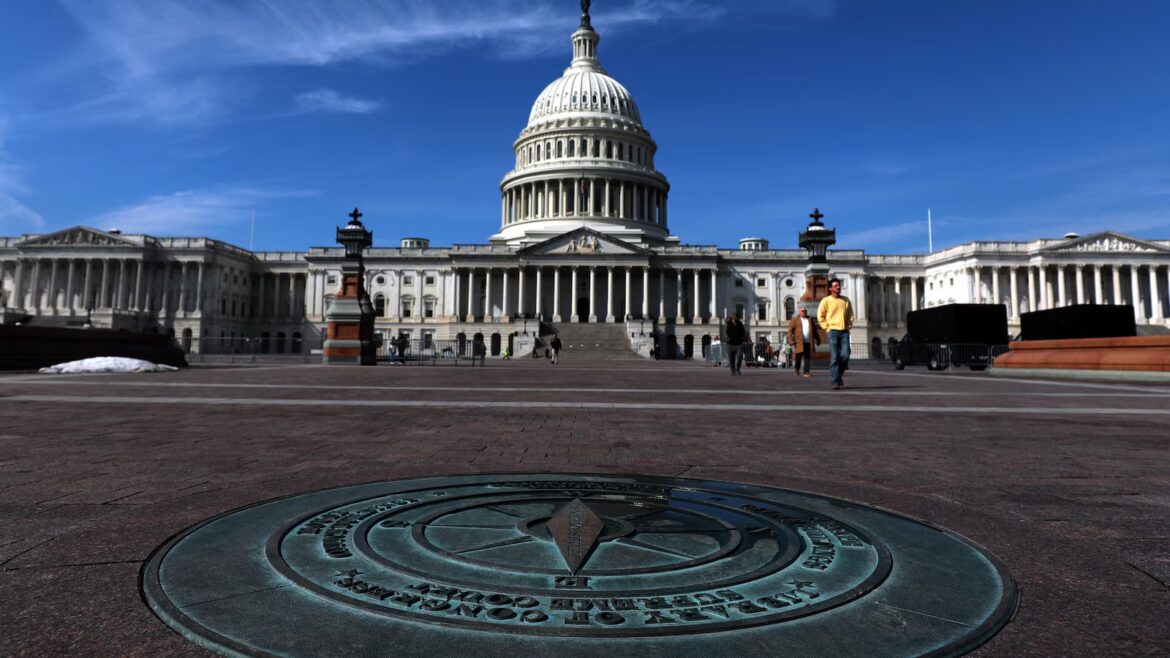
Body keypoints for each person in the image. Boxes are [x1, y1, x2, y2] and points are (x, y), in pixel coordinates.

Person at [817, 277, 854, 390]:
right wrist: (827, 328)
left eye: (839, 285)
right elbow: (820, 316)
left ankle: (838, 376)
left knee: (846, 354)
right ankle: (835, 382)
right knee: (834, 357)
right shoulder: (826, 301)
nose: (838, 287)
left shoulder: (846, 300)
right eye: (836, 286)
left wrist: (849, 325)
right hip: (832, 331)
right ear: (830, 288)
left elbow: (850, 315)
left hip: (844, 332)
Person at [787, 307, 819, 378]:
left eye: (805, 311)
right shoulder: (795, 320)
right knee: (798, 357)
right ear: (800, 312)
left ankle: (806, 372)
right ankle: (796, 369)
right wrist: (790, 340)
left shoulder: (810, 320)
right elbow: (790, 331)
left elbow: (815, 331)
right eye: (802, 311)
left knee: (807, 358)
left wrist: (818, 339)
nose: (804, 312)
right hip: (799, 342)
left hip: (808, 342)